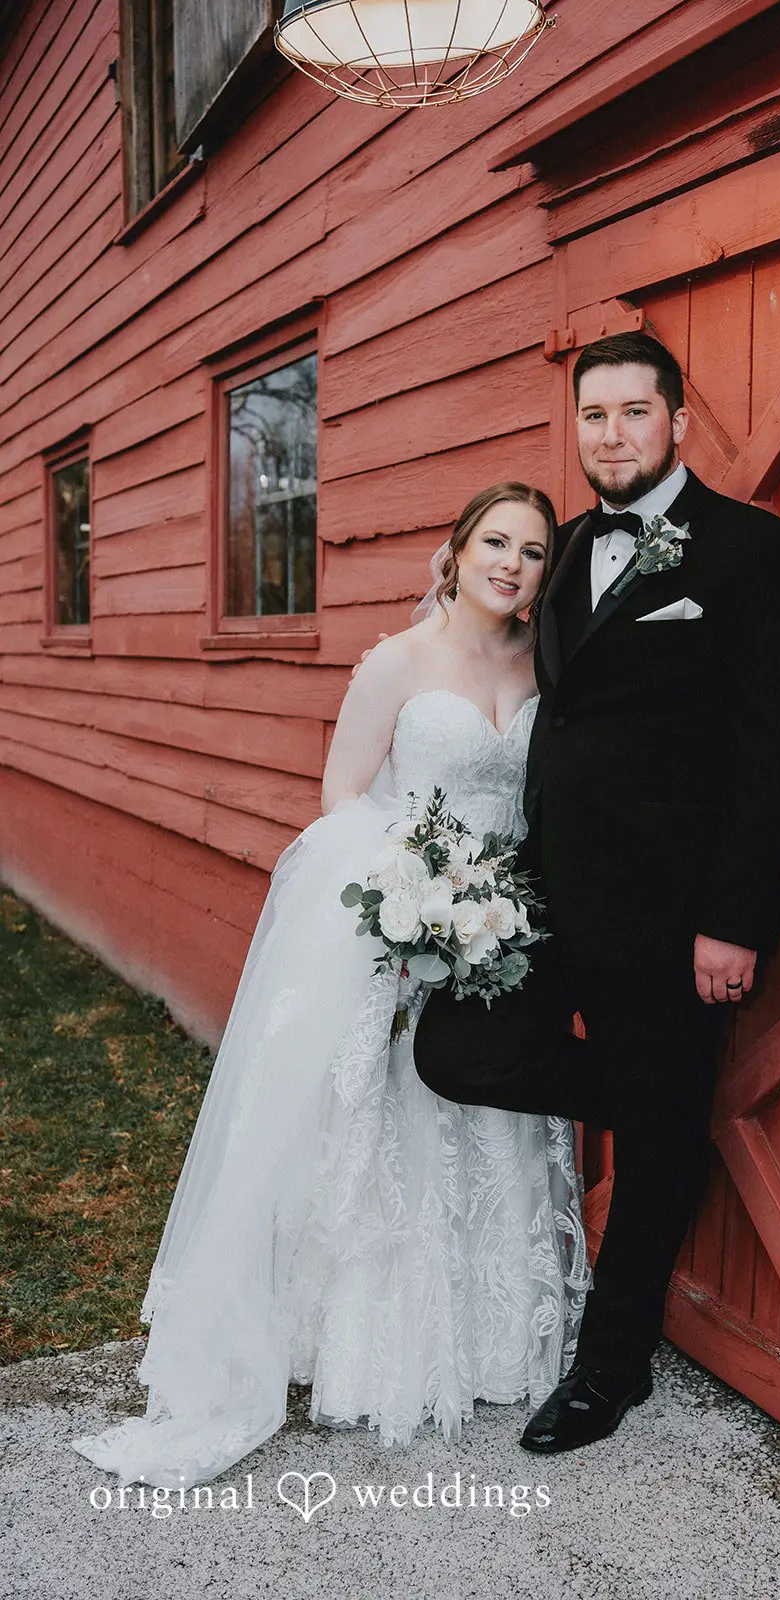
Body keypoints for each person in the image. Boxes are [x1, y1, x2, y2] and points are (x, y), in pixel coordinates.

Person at [71, 483, 588, 1490]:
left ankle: (491, 1341)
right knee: (388, 1126)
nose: (510, 564)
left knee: (491, 1116)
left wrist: (493, 913)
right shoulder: (395, 662)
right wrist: (417, 898)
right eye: (494, 541)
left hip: (505, 938)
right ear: (455, 546)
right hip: (407, 927)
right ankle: (365, 1346)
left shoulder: (542, 665)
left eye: (531, 552)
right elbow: (342, 799)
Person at [414, 332, 780, 1453]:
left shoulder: (749, 551)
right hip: (543, 902)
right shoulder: (564, 548)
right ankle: (664, 1120)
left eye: (633, 412)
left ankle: (609, 1369)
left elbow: (773, 749)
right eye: (592, 415)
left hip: (670, 919)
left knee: (649, 1154)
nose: (611, 435)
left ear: (677, 422)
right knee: (458, 1053)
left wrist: (732, 917)